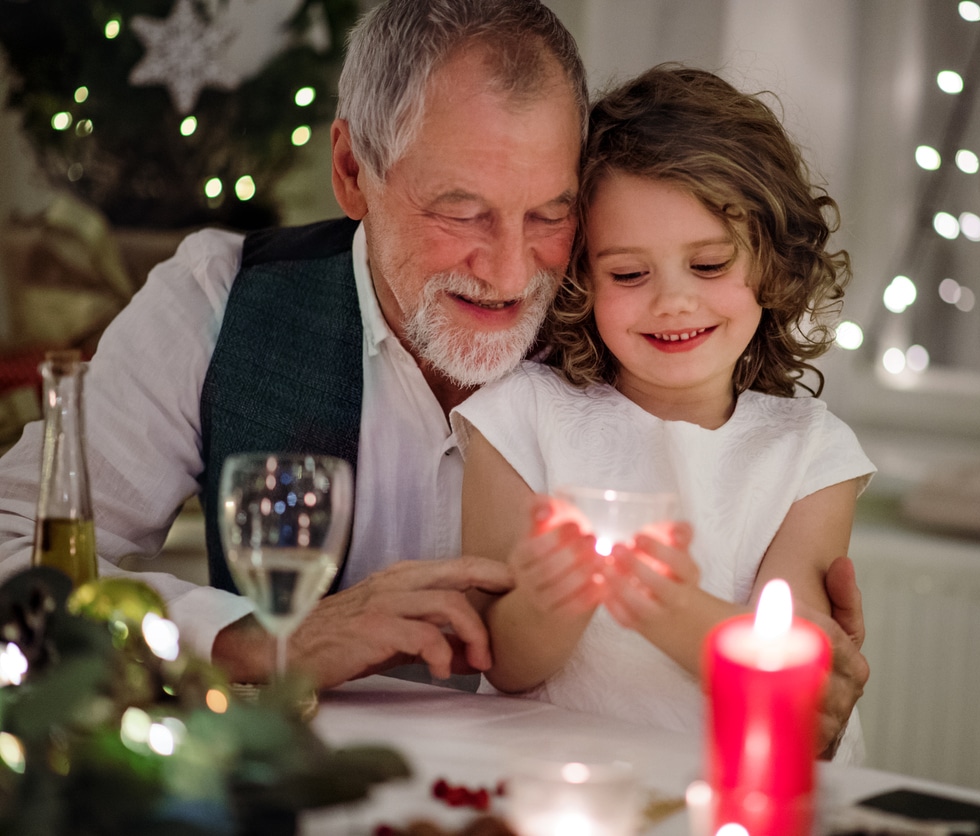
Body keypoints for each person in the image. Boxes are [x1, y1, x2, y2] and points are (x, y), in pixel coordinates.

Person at [0, 0, 587, 688]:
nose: (511, 274)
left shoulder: (637, 322)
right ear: (351, 171)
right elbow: (14, 547)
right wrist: (247, 641)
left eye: (550, 215)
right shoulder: (218, 299)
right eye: (462, 212)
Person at [452, 65, 875, 760]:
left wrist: (664, 606)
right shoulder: (520, 419)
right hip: (559, 781)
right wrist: (554, 599)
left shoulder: (807, 453)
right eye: (628, 274)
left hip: (736, 786)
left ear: (771, 262)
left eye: (708, 265)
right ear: (581, 281)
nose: (673, 301)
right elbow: (501, 659)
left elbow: (789, 676)